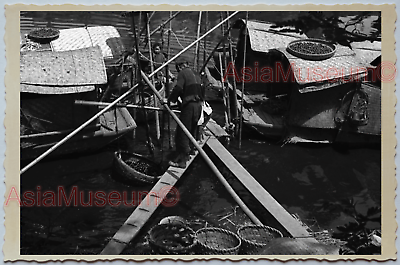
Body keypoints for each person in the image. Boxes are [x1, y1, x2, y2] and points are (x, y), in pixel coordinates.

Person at [166, 57, 204, 168]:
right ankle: (190, 151)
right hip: (198, 105)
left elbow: (178, 88)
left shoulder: (183, 73)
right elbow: (201, 90)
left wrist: (170, 100)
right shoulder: (196, 74)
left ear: (179, 66)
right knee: (192, 129)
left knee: (182, 132)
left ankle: (181, 161)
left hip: (190, 105)